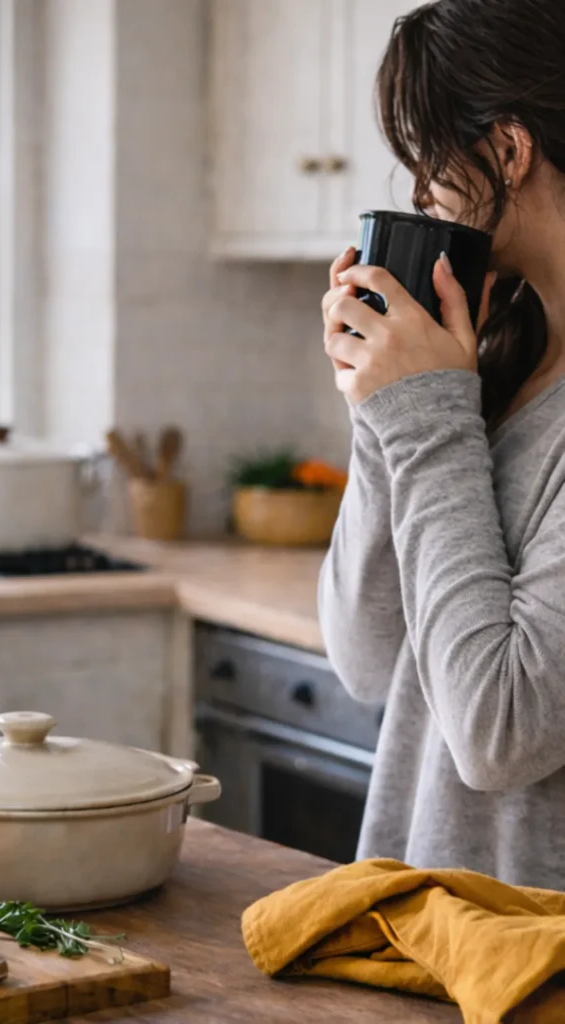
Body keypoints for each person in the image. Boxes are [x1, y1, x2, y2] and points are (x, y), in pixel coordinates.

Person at [318, 0, 565, 889]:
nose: (420, 193)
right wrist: (382, 402)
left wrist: (422, 412)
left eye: (428, 157)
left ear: (506, 151)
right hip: (427, 942)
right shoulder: (498, 360)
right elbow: (367, 658)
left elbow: (500, 732)